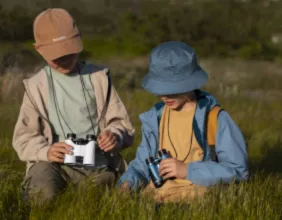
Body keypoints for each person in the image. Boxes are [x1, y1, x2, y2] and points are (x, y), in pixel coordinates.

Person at [12, 8, 134, 205]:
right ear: (38, 49)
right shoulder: (36, 86)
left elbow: (122, 124)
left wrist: (115, 135)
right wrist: (46, 151)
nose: (63, 60)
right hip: (52, 164)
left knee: (103, 191)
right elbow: (23, 138)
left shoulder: (99, 78)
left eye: (68, 53)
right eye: (55, 56)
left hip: (95, 161)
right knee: (42, 195)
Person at [118, 41, 248, 203]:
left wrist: (187, 170)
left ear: (190, 83)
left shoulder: (215, 118)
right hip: (157, 197)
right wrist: (128, 183)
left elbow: (237, 170)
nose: (164, 96)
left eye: (171, 90)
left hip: (201, 197)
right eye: (159, 90)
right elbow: (142, 163)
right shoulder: (155, 117)